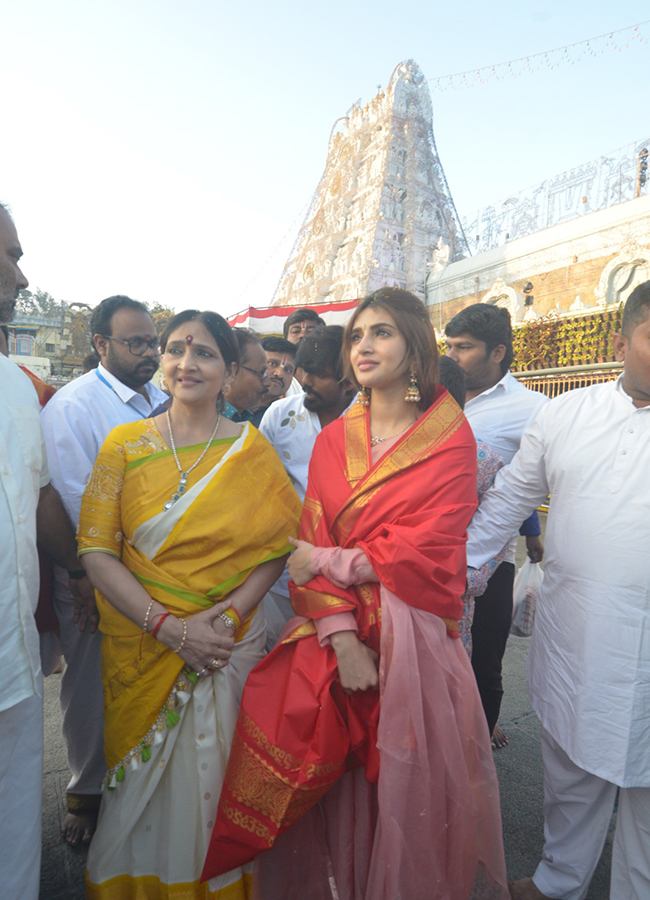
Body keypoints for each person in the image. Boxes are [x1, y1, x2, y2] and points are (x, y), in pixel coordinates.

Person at [204, 288, 509, 900]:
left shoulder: (450, 440)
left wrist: (328, 558)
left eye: (384, 333)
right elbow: (306, 548)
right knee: (333, 790)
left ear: (416, 346)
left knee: (403, 789)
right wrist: (342, 641)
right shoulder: (330, 442)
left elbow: (428, 553)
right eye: (359, 334)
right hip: (334, 638)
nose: (366, 345)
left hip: (414, 642)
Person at [78, 310, 301, 899]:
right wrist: (171, 628)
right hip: (143, 646)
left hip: (227, 646)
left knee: (217, 787)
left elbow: (277, 549)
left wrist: (224, 620)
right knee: (137, 794)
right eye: (176, 348)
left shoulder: (251, 451)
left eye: (204, 353)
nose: (185, 362)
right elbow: (97, 552)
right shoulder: (123, 445)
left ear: (229, 370)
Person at [467, 280, 650, 900]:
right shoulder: (567, 413)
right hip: (583, 630)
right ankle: (558, 881)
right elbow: (509, 500)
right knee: (572, 765)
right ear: (622, 342)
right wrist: (456, 574)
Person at [40, 294, 168, 845]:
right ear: (100, 344)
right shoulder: (74, 406)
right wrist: (84, 576)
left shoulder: (164, 400)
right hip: (93, 572)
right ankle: (85, 793)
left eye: (152, 343)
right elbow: (71, 496)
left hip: (160, 572)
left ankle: (150, 786)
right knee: (91, 683)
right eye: (135, 343)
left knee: (152, 679)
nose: (150, 353)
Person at [0, 201, 94, 900]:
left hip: (13, 662)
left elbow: (36, 502)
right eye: (7, 255)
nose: (20, 275)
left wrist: (84, 573)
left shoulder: (15, 387)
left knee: (13, 836)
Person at [445, 303, 548, 748]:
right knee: (429, 658)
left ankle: (475, 757)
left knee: (483, 663)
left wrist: (534, 535)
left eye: (464, 348)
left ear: (498, 352)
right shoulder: (427, 396)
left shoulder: (533, 409)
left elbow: (530, 483)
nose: (452, 356)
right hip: (418, 554)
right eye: (448, 346)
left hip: (488, 559)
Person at [258, 326, 356, 646]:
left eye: (319, 374)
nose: (307, 382)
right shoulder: (280, 414)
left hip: (350, 569)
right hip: (285, 570)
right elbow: (262, 488)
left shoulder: (372, 419)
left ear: (349, 380)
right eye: (304, 371)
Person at [223, 327, 271, 422]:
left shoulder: (243, 421)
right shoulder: (200, 423)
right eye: (261, 373)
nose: (268, 382)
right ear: (230, 371)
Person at [249, 336, 298, 427]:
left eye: (288, 370)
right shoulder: (225, 404)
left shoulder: (288, 417)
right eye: (273, 364)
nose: (279, 374)